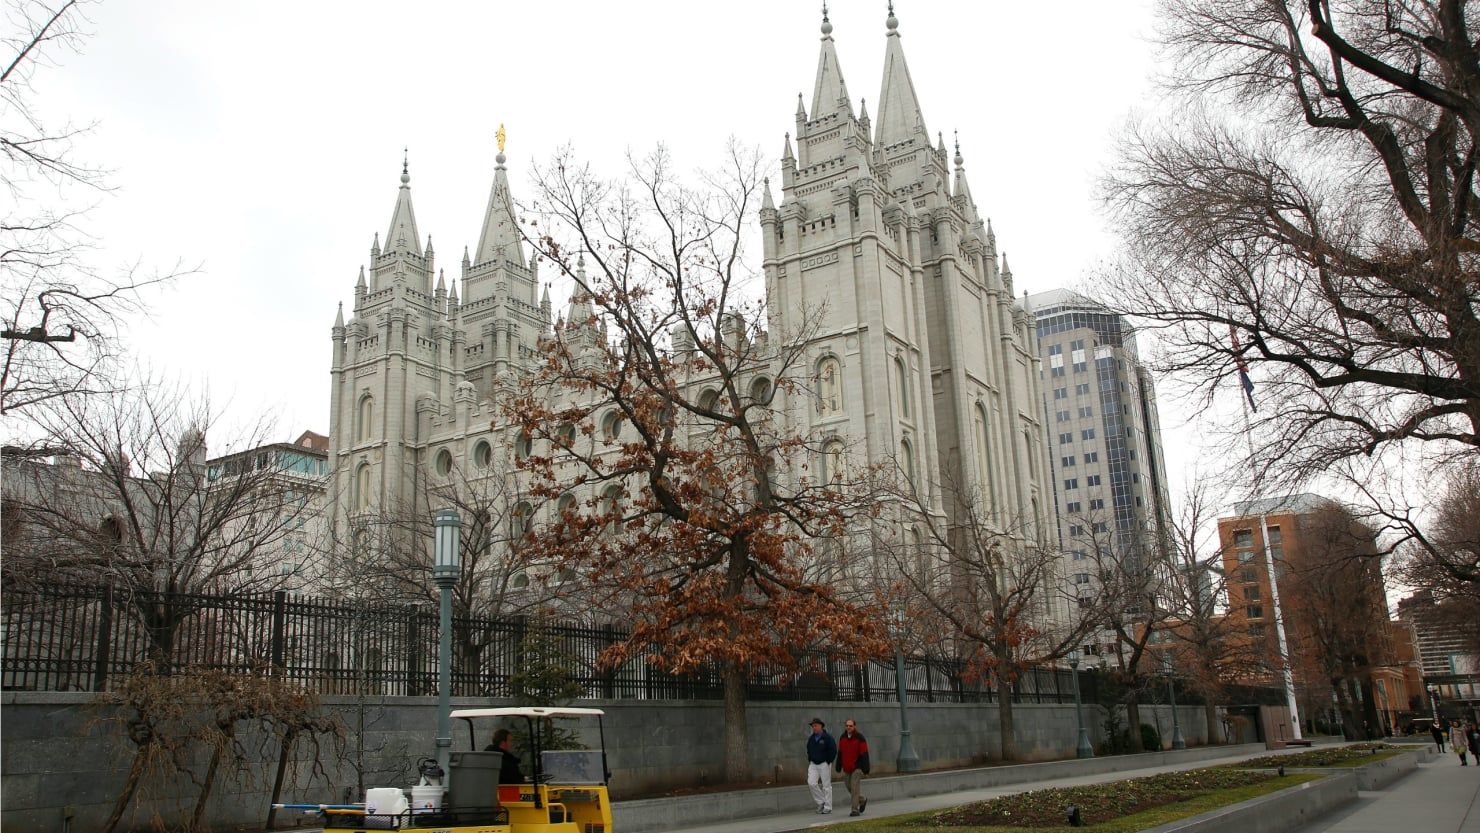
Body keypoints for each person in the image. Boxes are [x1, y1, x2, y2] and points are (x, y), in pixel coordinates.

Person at [835, 718, 870, 816]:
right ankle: (862, 800)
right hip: (847, 768)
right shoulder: (842, 738)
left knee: (854, 788)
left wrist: (866, 770)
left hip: (857, 767)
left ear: (854, 726)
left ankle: (855, 810)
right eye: (847, 725)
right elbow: (840, 753)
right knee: (849, 786)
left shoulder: (860, 738)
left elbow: (864, 754)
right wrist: (838, 766)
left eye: (850, 726)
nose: (848, 727)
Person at [805, 717, 837, 814]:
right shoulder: (811, 739)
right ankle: (821, 801)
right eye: (813, 726)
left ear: (821, 726)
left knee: (826, 786)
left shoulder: (827, 737)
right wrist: (810, 759)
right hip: (813, 764)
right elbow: (808, 750)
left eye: (816, 726)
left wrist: (828, 761)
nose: (814, 728)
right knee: (811, 783)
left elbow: (833, 750)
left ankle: (828, 807)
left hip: (824, 764)